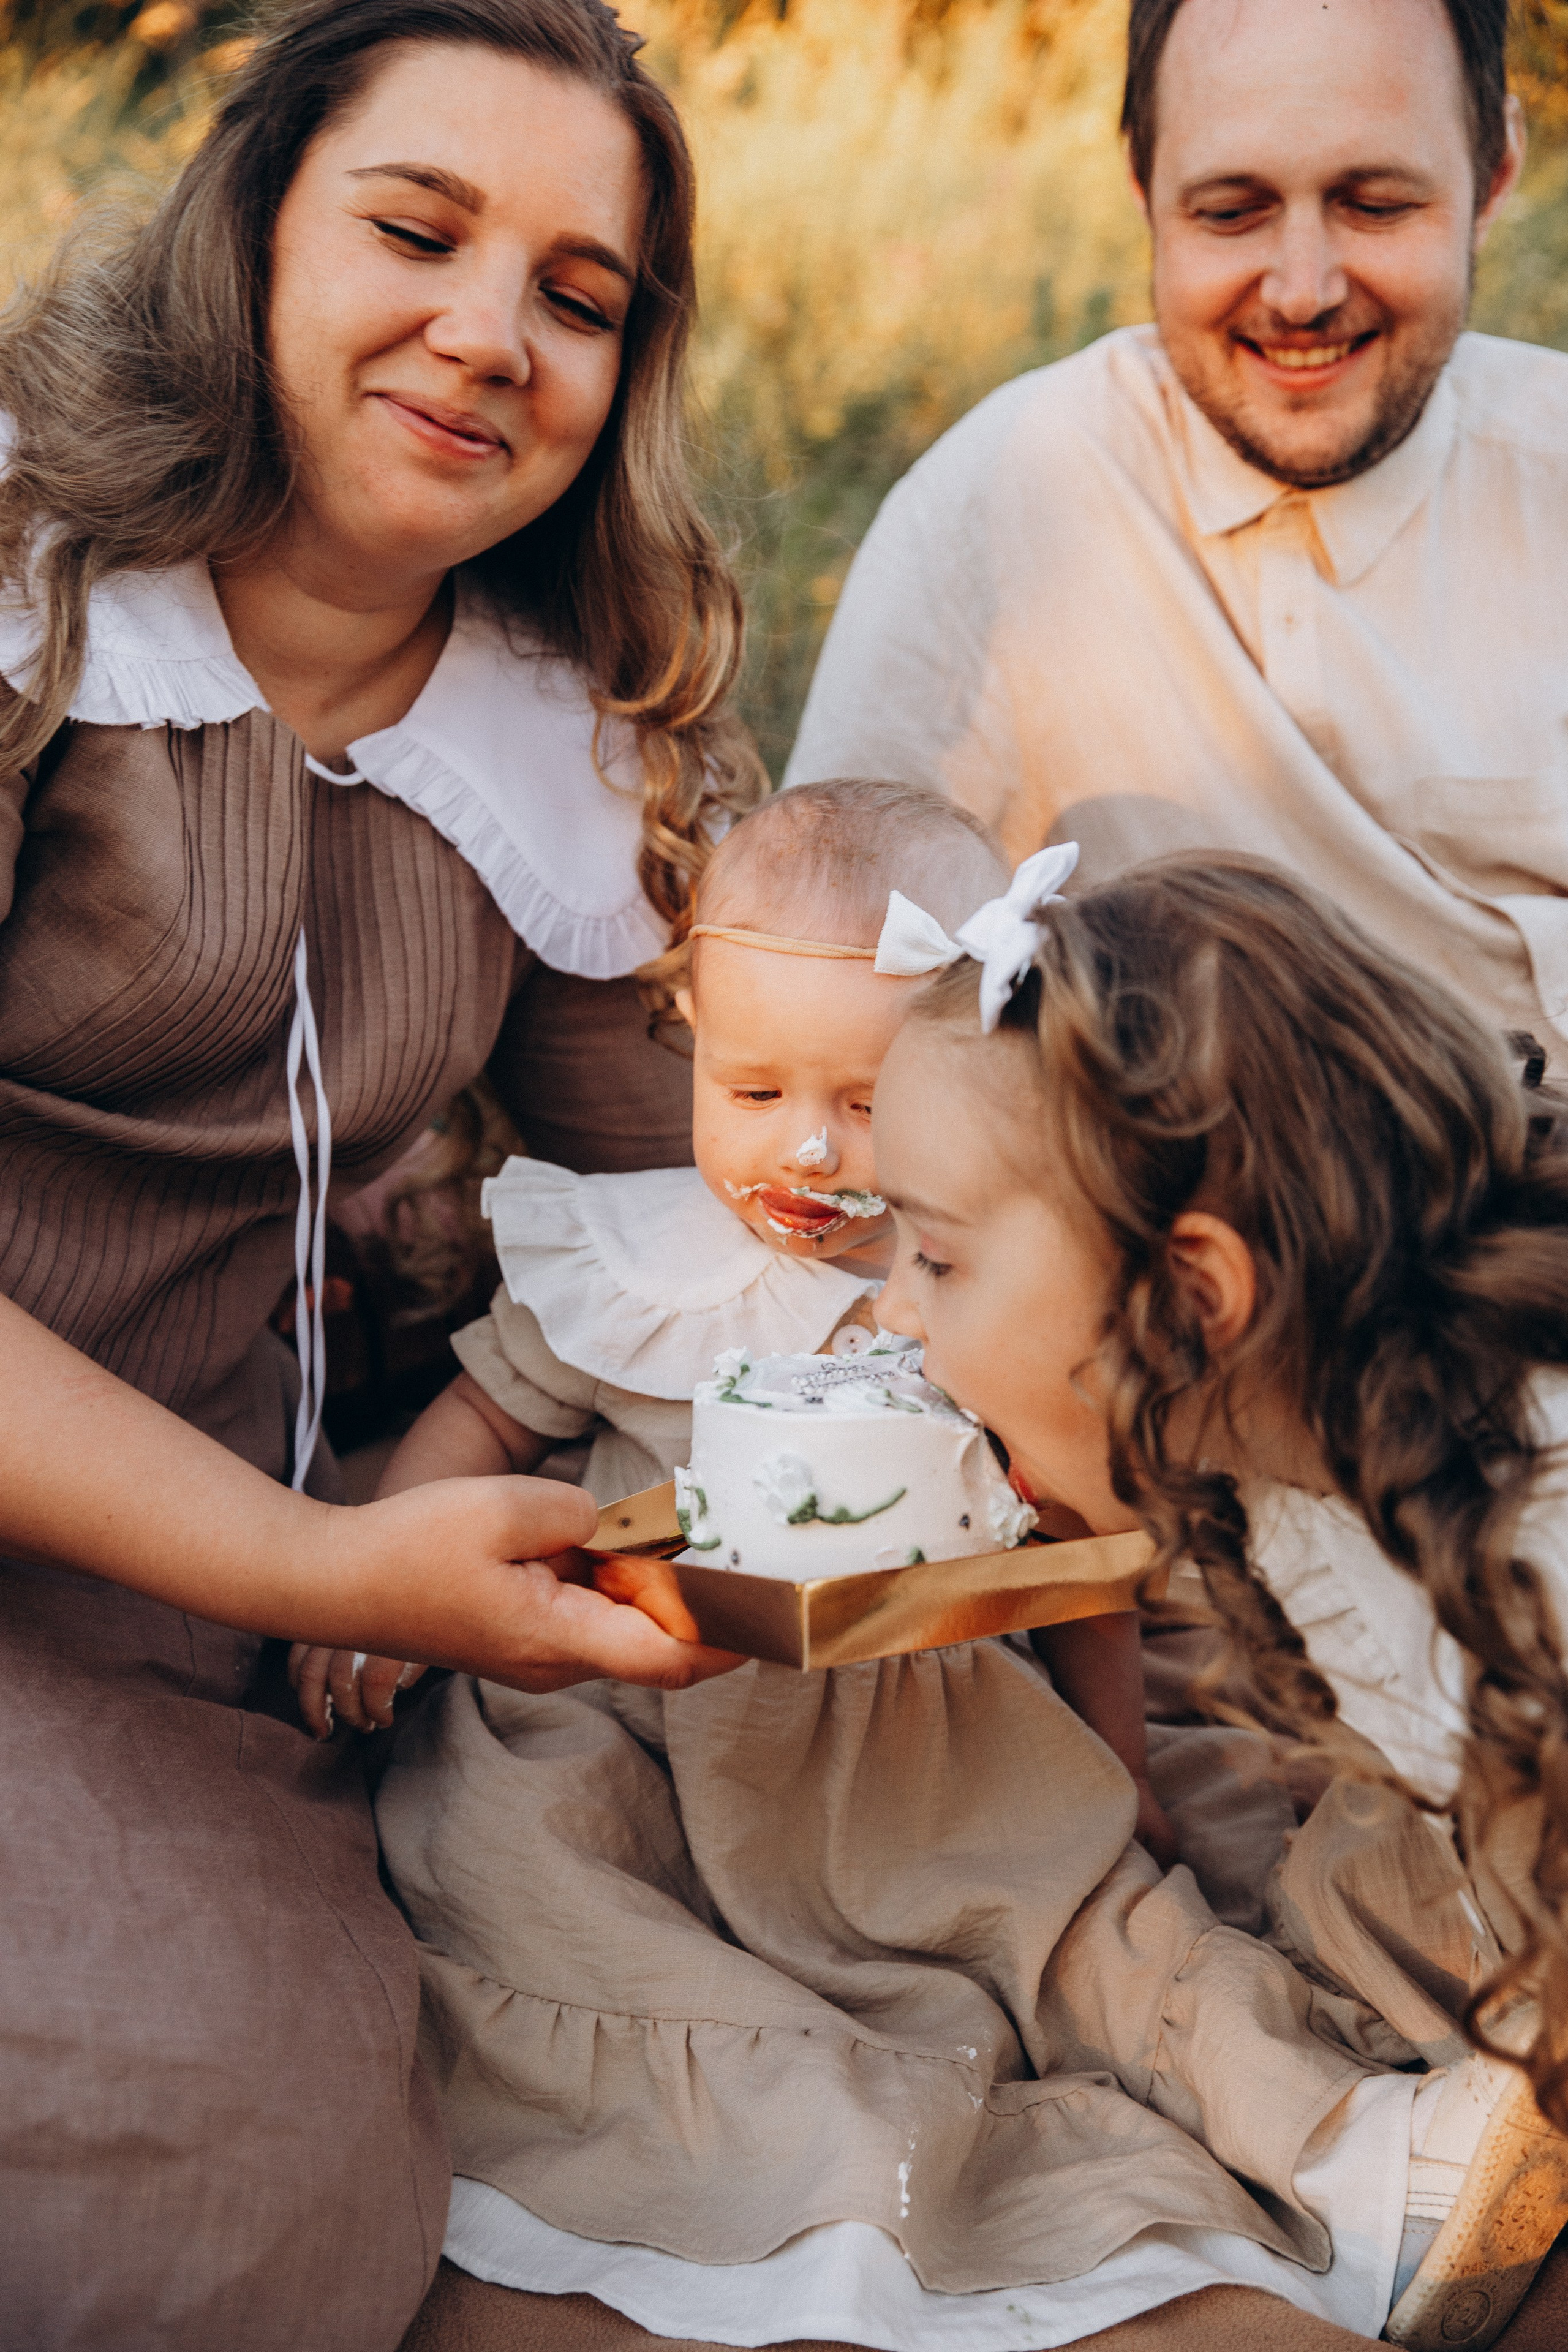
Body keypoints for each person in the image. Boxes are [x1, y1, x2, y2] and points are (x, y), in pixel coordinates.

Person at [0, 4, 760, 2345]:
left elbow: (711, 1197)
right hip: (204, 1539)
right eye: (416, 232)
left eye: (577, 295)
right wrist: (326, 1557)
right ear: (249, 232)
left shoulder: (555, 726)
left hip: (201, 1607)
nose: (492, 335)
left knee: (254, 2196)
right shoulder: (29, 586)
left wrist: (456, 1447)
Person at [868, 848, 1568, 2348]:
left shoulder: (1530, 1554)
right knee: (1332, 1904)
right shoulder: (1286, 1473)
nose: (889, 1308)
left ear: (1194, 1294)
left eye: (933, 1259)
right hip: (1471, 1832)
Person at [296, 779, 1171, 1850]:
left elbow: (1076, 1560)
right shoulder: (630, 1262)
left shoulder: (997, 1296)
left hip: (920, 1731)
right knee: (527, 1846)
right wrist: (379, 1588)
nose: (807, 1151)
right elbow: (484, 1419)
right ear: (694, 1035)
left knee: (1038, 1874)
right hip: (636, 1702)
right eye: (754, 1093)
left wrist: (1125, 1768)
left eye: (869, 1105)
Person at [782, 0, 1568, 1061]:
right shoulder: (995, 505)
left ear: (1496, 172)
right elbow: (823, 978)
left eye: (1377, 205)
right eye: (1232, 212)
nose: (1303, 291)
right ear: (1143, 186)